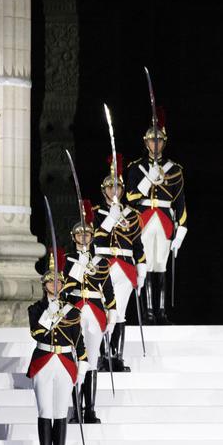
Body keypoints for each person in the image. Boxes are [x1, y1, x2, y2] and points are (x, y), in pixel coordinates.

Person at [125, 116, 187, 325]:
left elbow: (180, 203)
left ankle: (161, 311)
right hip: (144, 219)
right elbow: (131, 196)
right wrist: (148, 179)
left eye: (159, 140)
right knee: (147, 264)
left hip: (164, 220)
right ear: (146, 143)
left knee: (160, 266)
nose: (156, 144)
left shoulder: (175, 169)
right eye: (152, 140)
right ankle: (148, 311)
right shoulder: (136, 167)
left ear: (164, 143)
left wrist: (180, 233)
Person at [27, 267, 88, 445]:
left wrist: (83, 364)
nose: (55, 285)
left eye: (59, 282)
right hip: (43, 360)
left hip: (65, 361)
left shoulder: (72, 310)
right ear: (44, 285)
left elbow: (79, 341)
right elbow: (37, 333)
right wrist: (50, 313)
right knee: (45, 410)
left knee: (61, 411)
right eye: (51, 282)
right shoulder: (35, 309)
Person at [62, 214, 116, 425]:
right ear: (73, 237)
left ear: (92, 237)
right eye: (79, 234)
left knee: (91, 362)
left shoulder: (101, 262)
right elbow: (65, 287)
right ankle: (76, 410)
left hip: (94, 312)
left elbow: (108, 290)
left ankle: (90, 410)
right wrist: (78, 265)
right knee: (77, 361)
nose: (83, 237)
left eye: (87, 234)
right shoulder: (67, 260)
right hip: (75, 310)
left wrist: (112, 313)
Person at [93, 157, 146, 372]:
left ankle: (116, 357)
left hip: (124, 268)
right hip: (104, 266)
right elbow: (95, 238)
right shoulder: (96, 213)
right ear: (104, 189)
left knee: (120, 312)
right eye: (110, 187)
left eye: (117, 187)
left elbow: (138, 245)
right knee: (105, 310)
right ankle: (101, 356)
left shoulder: (132, 215)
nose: (114, 191)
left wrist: (141, 271)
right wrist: (110, 218)